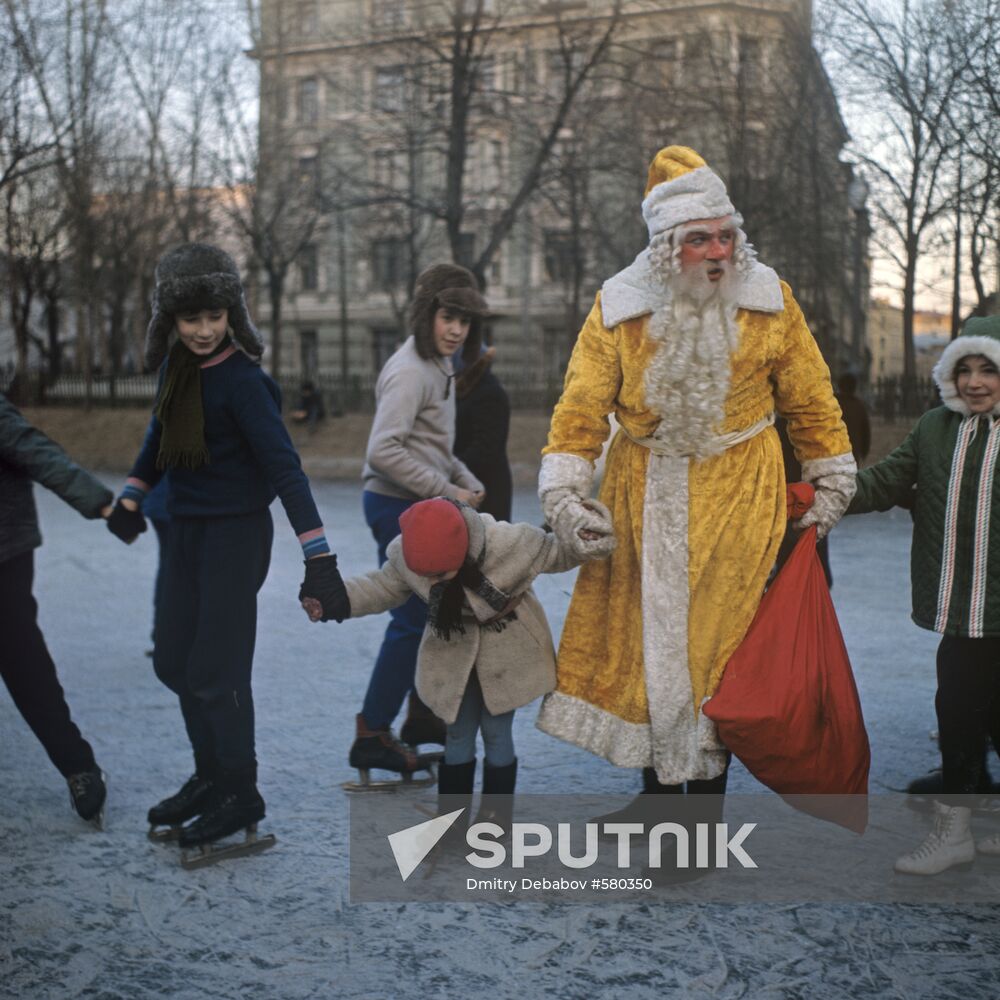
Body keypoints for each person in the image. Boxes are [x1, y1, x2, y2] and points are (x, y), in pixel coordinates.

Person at [535, 145, 855, 866]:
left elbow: (810, 396)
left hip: (742, 495)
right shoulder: (620, 308)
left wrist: (832, 478)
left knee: (717, 659)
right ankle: (657, 802)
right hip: (642, 494)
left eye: (724, 236)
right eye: (697, 239)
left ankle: (699, 823)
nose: (715, 252)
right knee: (651, 651)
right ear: (666, 247)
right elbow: (580, 408)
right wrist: (565, 494)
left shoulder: (770, 298)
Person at [106, 243, 346, 858]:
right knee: (174, 663)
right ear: (171, 321)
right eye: (191, 319)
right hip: (184, 528)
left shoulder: (245, 382)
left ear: (232, 313)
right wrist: (133, 494)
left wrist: (318, 559)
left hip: (235, 538)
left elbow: (286, 471)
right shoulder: (176, 369)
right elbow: (160, 434)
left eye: (216, 315)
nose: (205, 330)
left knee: (217, 672)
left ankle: (240, 790)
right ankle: (211, 775)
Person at [321, 497, 610, 828]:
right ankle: (452, 818)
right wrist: (337, 600)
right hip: (453, 656)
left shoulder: (511, 543)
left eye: (441, 574)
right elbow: (381, 586)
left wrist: (586, 534)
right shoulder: (406, 556)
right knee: (457, 733)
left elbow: (559, 552)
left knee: (496, 733)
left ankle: (495, 817)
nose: (434, 583)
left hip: (507, 655)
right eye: (425, 576)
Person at [847, 315, 1000, 875]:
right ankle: (956, 829)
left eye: (989, 369)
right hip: (963, 609)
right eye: (965, 370)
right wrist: (818, 494)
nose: (976, 382)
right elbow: (883, 480)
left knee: (976, 716)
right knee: (964, 712)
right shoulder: (935, 427)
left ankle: (958, 829)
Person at [347, 263, 488, 786]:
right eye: (448, 317)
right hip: (393, 506)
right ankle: (372, 733)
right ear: (426, 314)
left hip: (418, 503)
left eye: (465, 322)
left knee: (430, 614)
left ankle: (420, 714)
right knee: (410, 618)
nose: (456, 330)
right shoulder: (410, 370)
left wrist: (465, 480)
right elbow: (383, 450)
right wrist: (449, 492)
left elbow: (434, 449)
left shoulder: (440, 368)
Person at [0, 392, 113, 826]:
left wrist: (98, 502)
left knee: (22, 662)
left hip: (4, 552)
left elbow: (37, 451)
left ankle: (78, 767)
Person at [454, 345, 513, 523]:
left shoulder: (488, 393)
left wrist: (451, 467)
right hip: (473, 483)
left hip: (486, 488)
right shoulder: (469, 389)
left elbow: (486, 448)